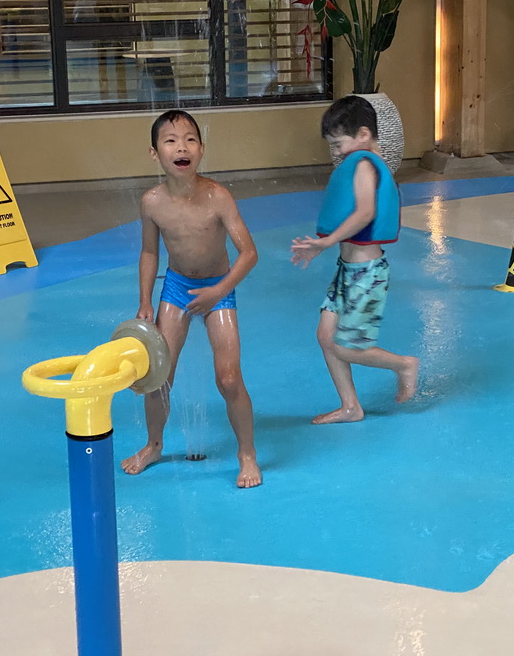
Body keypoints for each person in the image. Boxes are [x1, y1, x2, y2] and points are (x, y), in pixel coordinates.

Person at [121, 110, 262, 488]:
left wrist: (218, 291)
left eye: (190, 140)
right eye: (170, 140)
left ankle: (246, 453)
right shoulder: (151, 202)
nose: (181, 147)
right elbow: (150, 253)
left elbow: (249, 253)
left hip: (219, 287)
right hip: (178, 288)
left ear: (201, 149)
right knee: (158, 378)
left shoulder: (218, 197)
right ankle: (153, 445)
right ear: (155, 153)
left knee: (230, 379)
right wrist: (145, 301)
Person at [290, 96, 419, 424]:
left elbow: (365, 211)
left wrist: (326, 242)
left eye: (338, 144)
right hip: (348, 270)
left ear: (363, 134)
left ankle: (404, 364)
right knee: (325, 336)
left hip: (366, 274)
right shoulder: (359, 160)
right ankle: (350, 407)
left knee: (346, 346)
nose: (335, 152)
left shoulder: (363, 163)